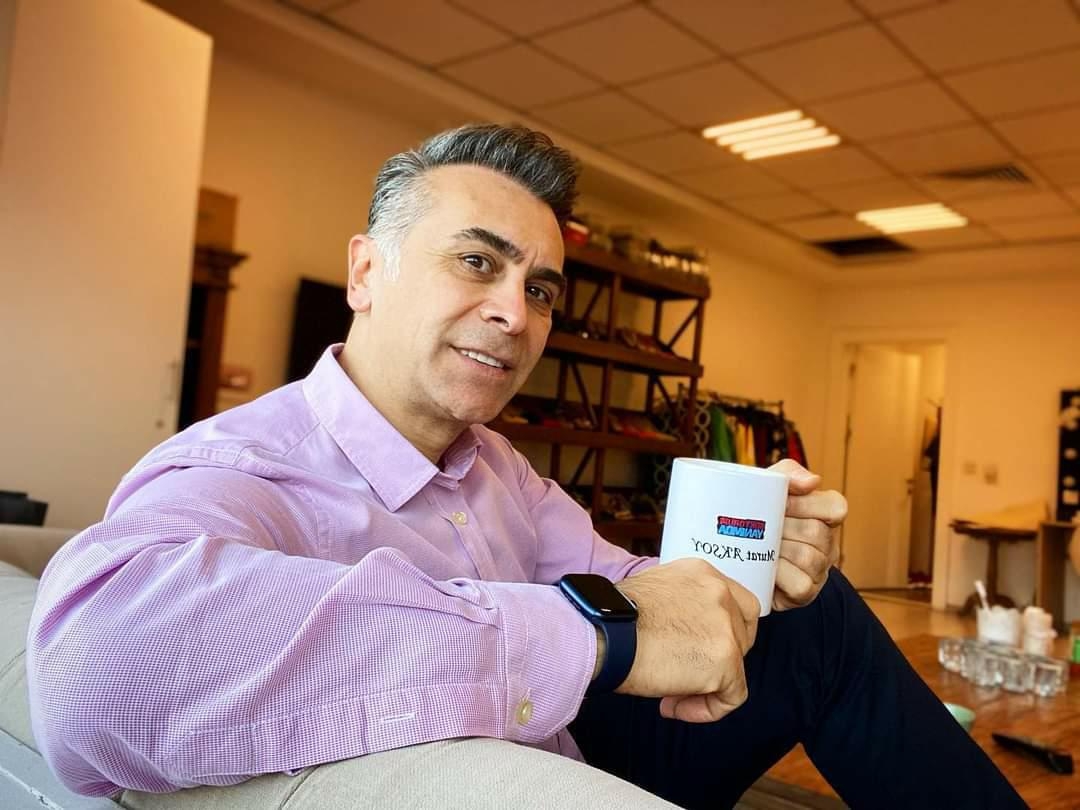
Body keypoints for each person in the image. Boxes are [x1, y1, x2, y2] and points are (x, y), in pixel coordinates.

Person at [27, 124, 1023, 808]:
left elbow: (627, 583)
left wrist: (744, 570)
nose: (516, 312)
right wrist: (584, 639)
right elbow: (91, 674)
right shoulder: (245, 464)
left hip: (569, 752)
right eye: (477, 261)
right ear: (367, 272)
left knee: (818, 619)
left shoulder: (498, 468)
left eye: (541, 288)